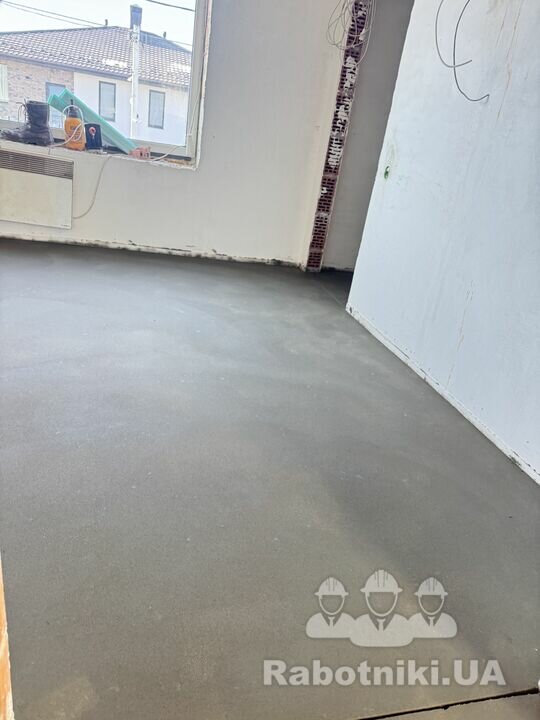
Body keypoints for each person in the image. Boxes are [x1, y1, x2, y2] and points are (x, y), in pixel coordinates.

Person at [350, 569, 412, 647]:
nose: (380, 601)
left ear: (395, 597)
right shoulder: (359, 624)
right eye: (376, 595)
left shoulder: (402, 624)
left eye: (386, 596)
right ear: (367, 597)